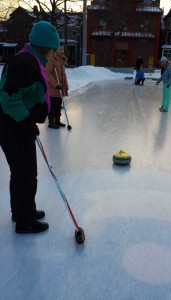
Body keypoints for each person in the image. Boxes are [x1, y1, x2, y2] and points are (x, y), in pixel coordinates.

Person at [0, 21, 60, 234]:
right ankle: (25, 221)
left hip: (17, 126)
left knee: (23, 172)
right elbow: (7, 97)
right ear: (47, 47)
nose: (55, 54)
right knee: (25, 174)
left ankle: (22, 211)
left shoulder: (32, 60)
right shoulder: (26, 63)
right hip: (13, 126)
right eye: (55, 49)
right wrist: (25, 121)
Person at [46, 44, 69, 129]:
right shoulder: (51, 58)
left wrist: (64, 85)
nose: (61, 51)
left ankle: (57, 121)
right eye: (60, 49)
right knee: (53, 106)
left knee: (59, 105)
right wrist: (55, 84)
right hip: (53, 87)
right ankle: (51, 122)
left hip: (60, 87)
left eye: (62, 49)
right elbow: (47, 73)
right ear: (55, 49)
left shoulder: (61, 59)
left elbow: (62, 74)